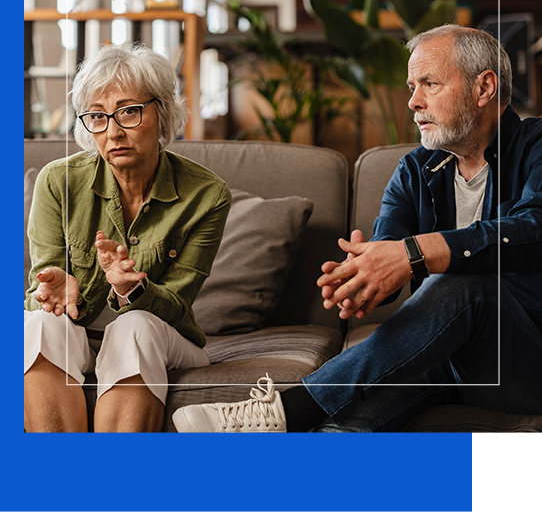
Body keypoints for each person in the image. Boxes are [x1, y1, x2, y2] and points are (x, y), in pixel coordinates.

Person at [172, 24, 542, 433]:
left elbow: (533, 229)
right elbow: (387, 246)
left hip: (523, 363)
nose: (413, 102)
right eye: (411, 87)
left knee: (468, 285)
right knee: (346, 424)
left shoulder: (536, 147)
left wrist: (414, 254)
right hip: (445, 356)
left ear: (484, 87)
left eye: (430, 84)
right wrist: (364, 279)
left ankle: (287, 407)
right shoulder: (415, 171)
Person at [24, 43, 231, 432]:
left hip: (164, 335)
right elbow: (40, 285)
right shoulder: (57, 181)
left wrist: (130, 292)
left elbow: (176, 303)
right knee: (39, 324)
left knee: (133, 324)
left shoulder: (207, 195)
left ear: (163, 113)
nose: (113, 131)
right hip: (78, 329)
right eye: (97, 117)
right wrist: (56, 290)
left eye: (129, 111)